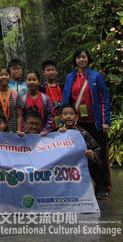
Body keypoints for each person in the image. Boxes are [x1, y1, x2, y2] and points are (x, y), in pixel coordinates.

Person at [62, 48, 111, 199]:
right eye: (78, 57)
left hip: (95, 122)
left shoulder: (96, 76)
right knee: (80, 154)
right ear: (75, 60)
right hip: (78, 124)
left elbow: (104, 98)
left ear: (88, 59)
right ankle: (83, 186)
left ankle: (102, 186)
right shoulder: (70, 77)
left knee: (99, 154)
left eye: (83, 57)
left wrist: (105, 121)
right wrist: (64, 121)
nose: (81, 60)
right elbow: (66, 99)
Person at [58, 103, 102, 189]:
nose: (68, 116)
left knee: (90, 190)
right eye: (65, 114)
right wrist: (59, 134)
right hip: (62, 174)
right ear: (61, 117)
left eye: (71, 114)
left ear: (76, 117)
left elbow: (97, 148)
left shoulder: (83, 133)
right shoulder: (57, 134)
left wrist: (92, 154)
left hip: (81, 172)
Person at [20, 70, 54, 135]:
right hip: (27, 134)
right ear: (25, 82)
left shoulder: (45, 98)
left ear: (39, 82)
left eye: (34, 80)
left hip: (43, 134)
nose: (31, 82)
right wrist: (26, 131)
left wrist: (45, 130)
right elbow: (21, 118)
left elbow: (50, 117)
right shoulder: (22, 99)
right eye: (29, 80)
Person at [40, 59, 63, 129]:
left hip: (61, 118)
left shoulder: (61, 86)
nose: (51, 72)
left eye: (53, 70)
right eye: (48, 70)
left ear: (56, 71)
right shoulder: (41, 88)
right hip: (48, 120)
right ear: (43, 72)